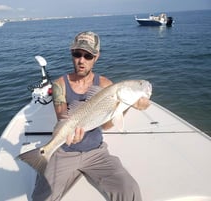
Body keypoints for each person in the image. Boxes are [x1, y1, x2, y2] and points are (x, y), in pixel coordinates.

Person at [32, 31, 150, 201]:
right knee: (41, 197)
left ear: (96, 57)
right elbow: (63, 121)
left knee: (130, 189)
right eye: (77, 54)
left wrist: (128, 105)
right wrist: (65, 139)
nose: (81, 60)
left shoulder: (105, 85)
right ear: (71, 53)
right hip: (65, 150)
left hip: (97, 152)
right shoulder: (59, 85)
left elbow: (107, 125)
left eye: (88, 55)